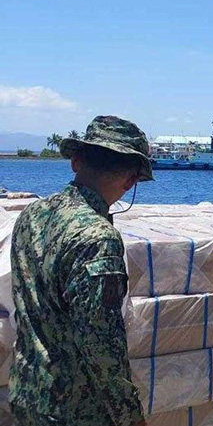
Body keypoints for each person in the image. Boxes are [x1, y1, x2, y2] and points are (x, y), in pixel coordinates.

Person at [9, 116, 154, 426]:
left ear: (76, 162)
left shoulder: (31, 215)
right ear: (130, 181)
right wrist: (130, 416)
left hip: (28, 393)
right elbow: (100, 344)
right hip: (75, 411)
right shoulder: (97, 237)